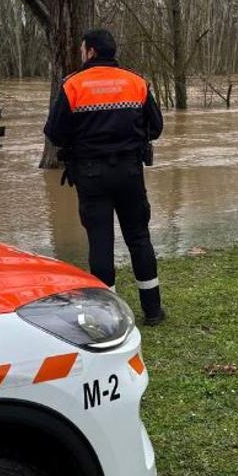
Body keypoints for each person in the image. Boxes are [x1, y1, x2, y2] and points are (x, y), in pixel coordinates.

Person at [44, 29, 166, 325]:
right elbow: (157, 127)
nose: (81, 53)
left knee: (100, 242)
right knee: (139, 238)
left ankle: (108, 318)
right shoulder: (137, 83)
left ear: (92, 52)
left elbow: (54, 133)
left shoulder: (73, 85)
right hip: (130, 172)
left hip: (90, 174)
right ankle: (152, 311)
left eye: (83, 49)